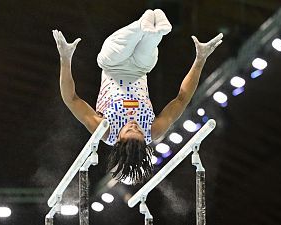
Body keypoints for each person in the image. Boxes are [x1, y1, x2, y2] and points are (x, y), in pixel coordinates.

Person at [52, 9, 222, 185]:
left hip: (112, 65)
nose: (135, 126)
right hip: (141, 69)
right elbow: (181, 99)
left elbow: (72, 99)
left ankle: (142, 25)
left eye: (129, 131)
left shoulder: (105, 131)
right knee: (150, 43)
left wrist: (65, 58)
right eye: (139, 132)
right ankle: (155, 32)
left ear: (118, 140)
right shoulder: (153, 130)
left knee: (119, 44)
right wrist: (200, 60)